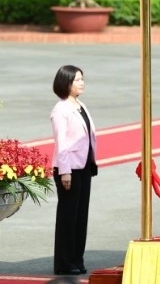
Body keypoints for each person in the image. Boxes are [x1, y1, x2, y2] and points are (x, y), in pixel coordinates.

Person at [51, 65, 98, 276]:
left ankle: (76, 258)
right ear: (66, 83)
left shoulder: (80, 105)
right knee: (68, 217)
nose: (82, 82)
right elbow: (62, 143)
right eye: (77, 79)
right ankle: (64, 262)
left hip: (84, 167)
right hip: (69, 169)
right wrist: (65, 171)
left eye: (82, 79)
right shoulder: (61, 109)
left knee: (80, 216)